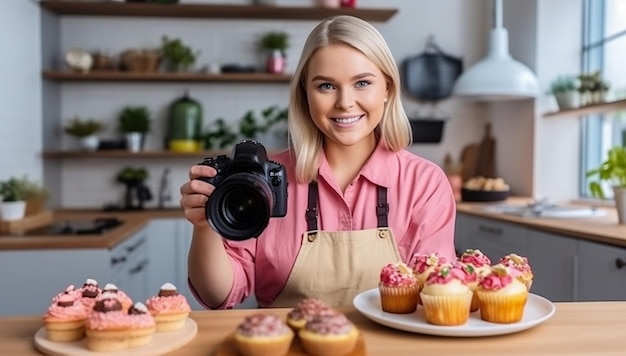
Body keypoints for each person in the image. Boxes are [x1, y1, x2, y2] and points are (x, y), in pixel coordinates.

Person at [180, 15, 457, 309]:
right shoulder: (261, 181)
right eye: (326, 86)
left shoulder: (424, 184)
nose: (345, 102)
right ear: (305, 94)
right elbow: (219, 296)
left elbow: (438, 297)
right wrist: (205, 227)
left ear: (387, 88)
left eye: (362, 83)